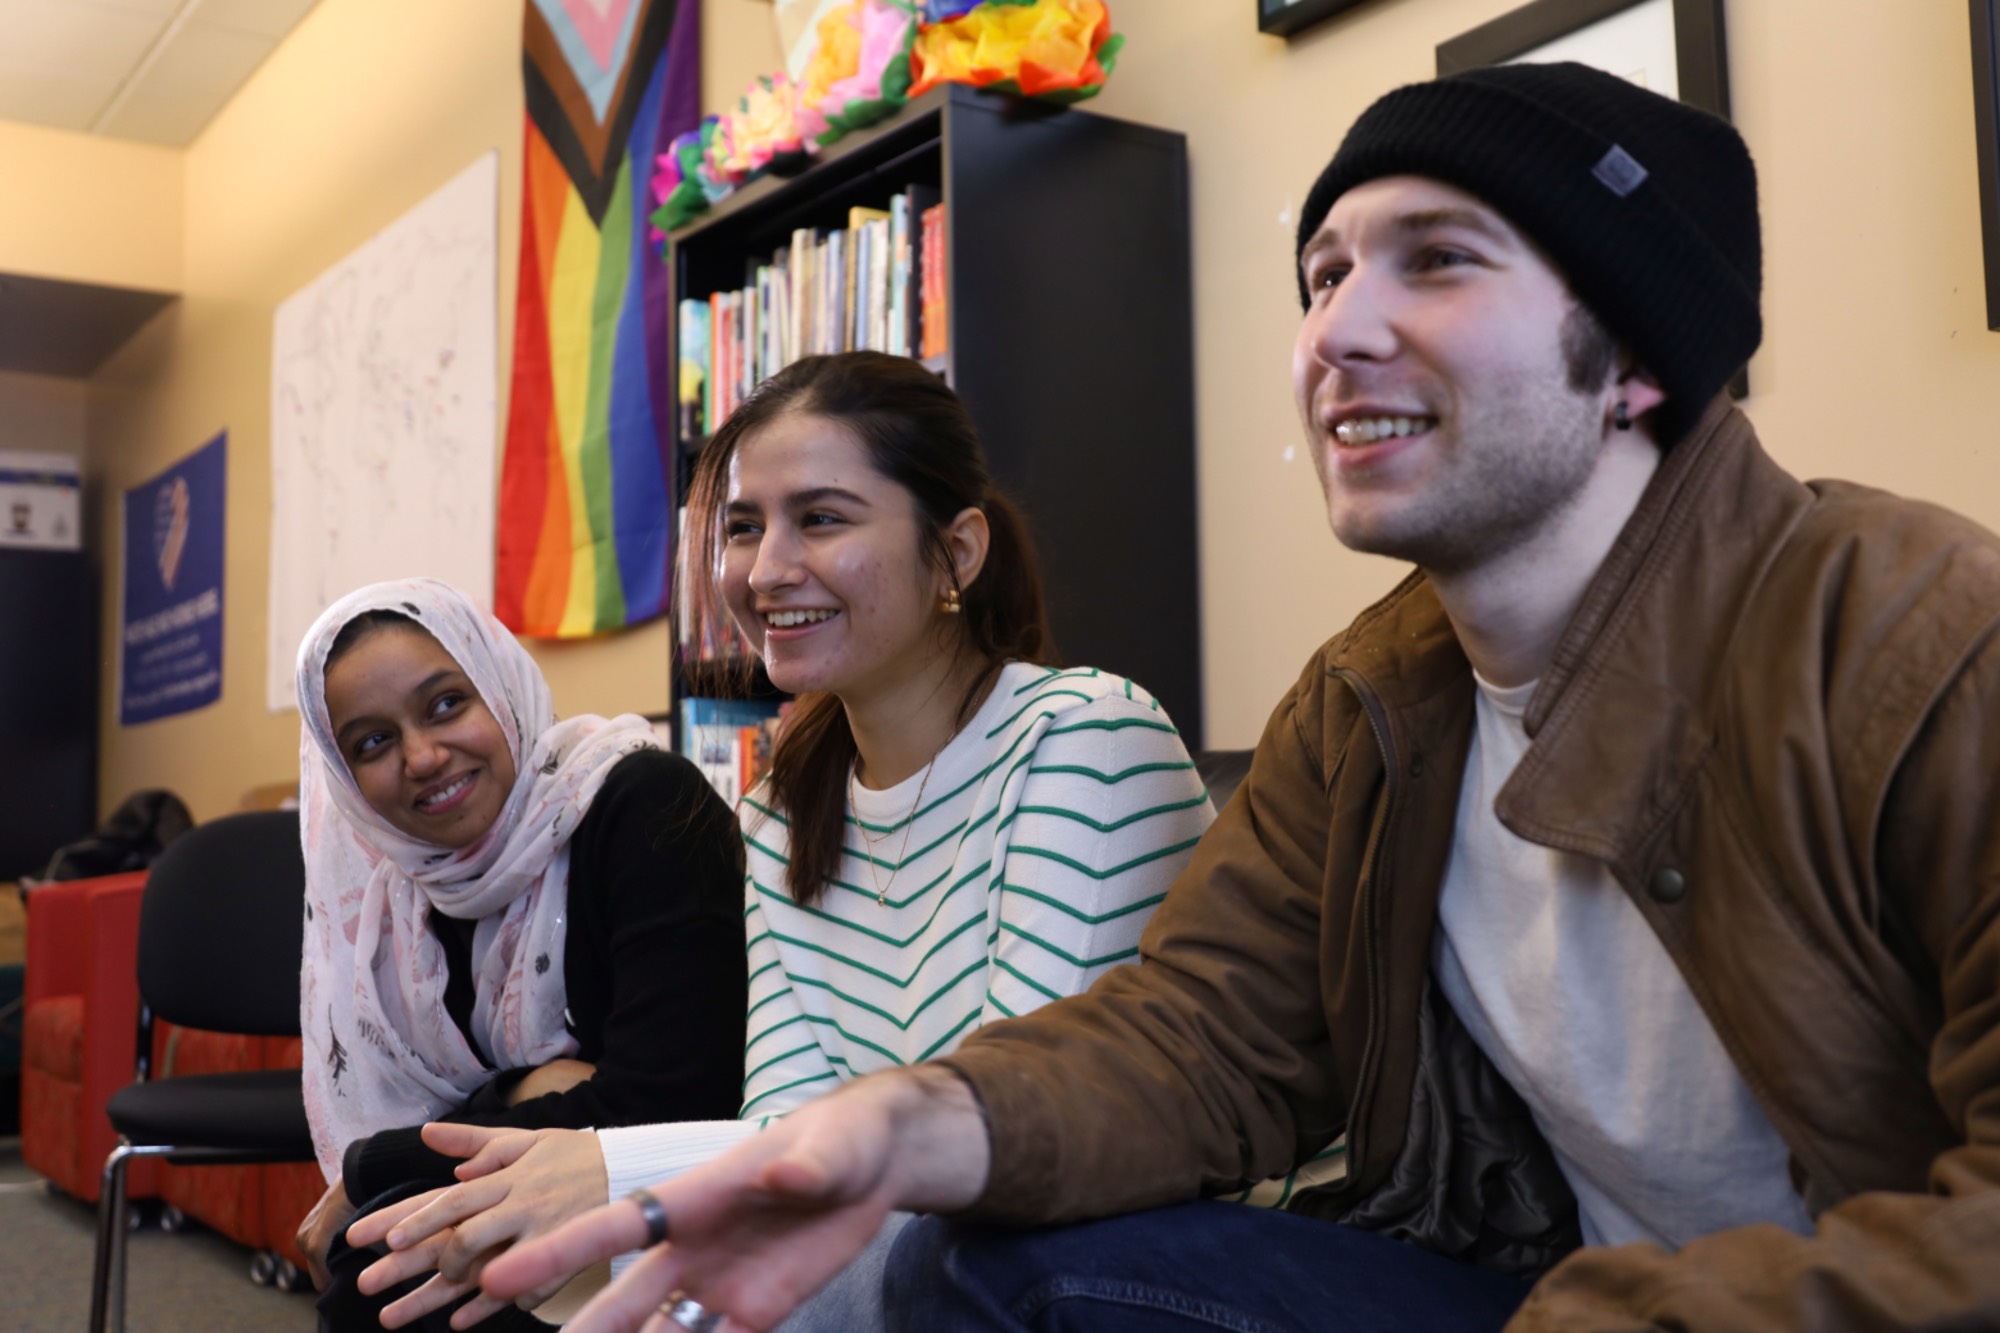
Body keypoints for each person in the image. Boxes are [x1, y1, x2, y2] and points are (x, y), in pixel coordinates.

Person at [470, 62, 2000, 1333]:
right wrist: (910, 1127)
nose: (1334, 327)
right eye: (1325, 272)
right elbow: (1199, 1038)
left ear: (1637, 359)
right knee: (988, 1268)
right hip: (1534, 1284)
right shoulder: (1379, 696)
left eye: (1439, 259)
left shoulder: (1917, 632)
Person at [339, 352, 1217, 1328]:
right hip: (891, 1243)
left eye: (823, 518)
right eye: (744, 527)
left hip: (1092, 1263)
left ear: (957, 552)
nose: (764, 571)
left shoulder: (1086, 736)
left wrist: (612, 1166)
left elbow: (998, 1134)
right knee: (409, 1279)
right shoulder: (780, 811)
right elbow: (784, 1129)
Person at [294, 577, 748, 1330]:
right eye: (373, 741)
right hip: (525, 1205)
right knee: (379, 1265)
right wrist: (519, 1092)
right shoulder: (398, 903)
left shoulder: (645, 803)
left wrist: (374, 1163)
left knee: (382, 1279)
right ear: (344, 779)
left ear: (498, 685)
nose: (423, 755)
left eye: (446, 704)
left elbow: (665, 1107)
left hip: (684, 1212)